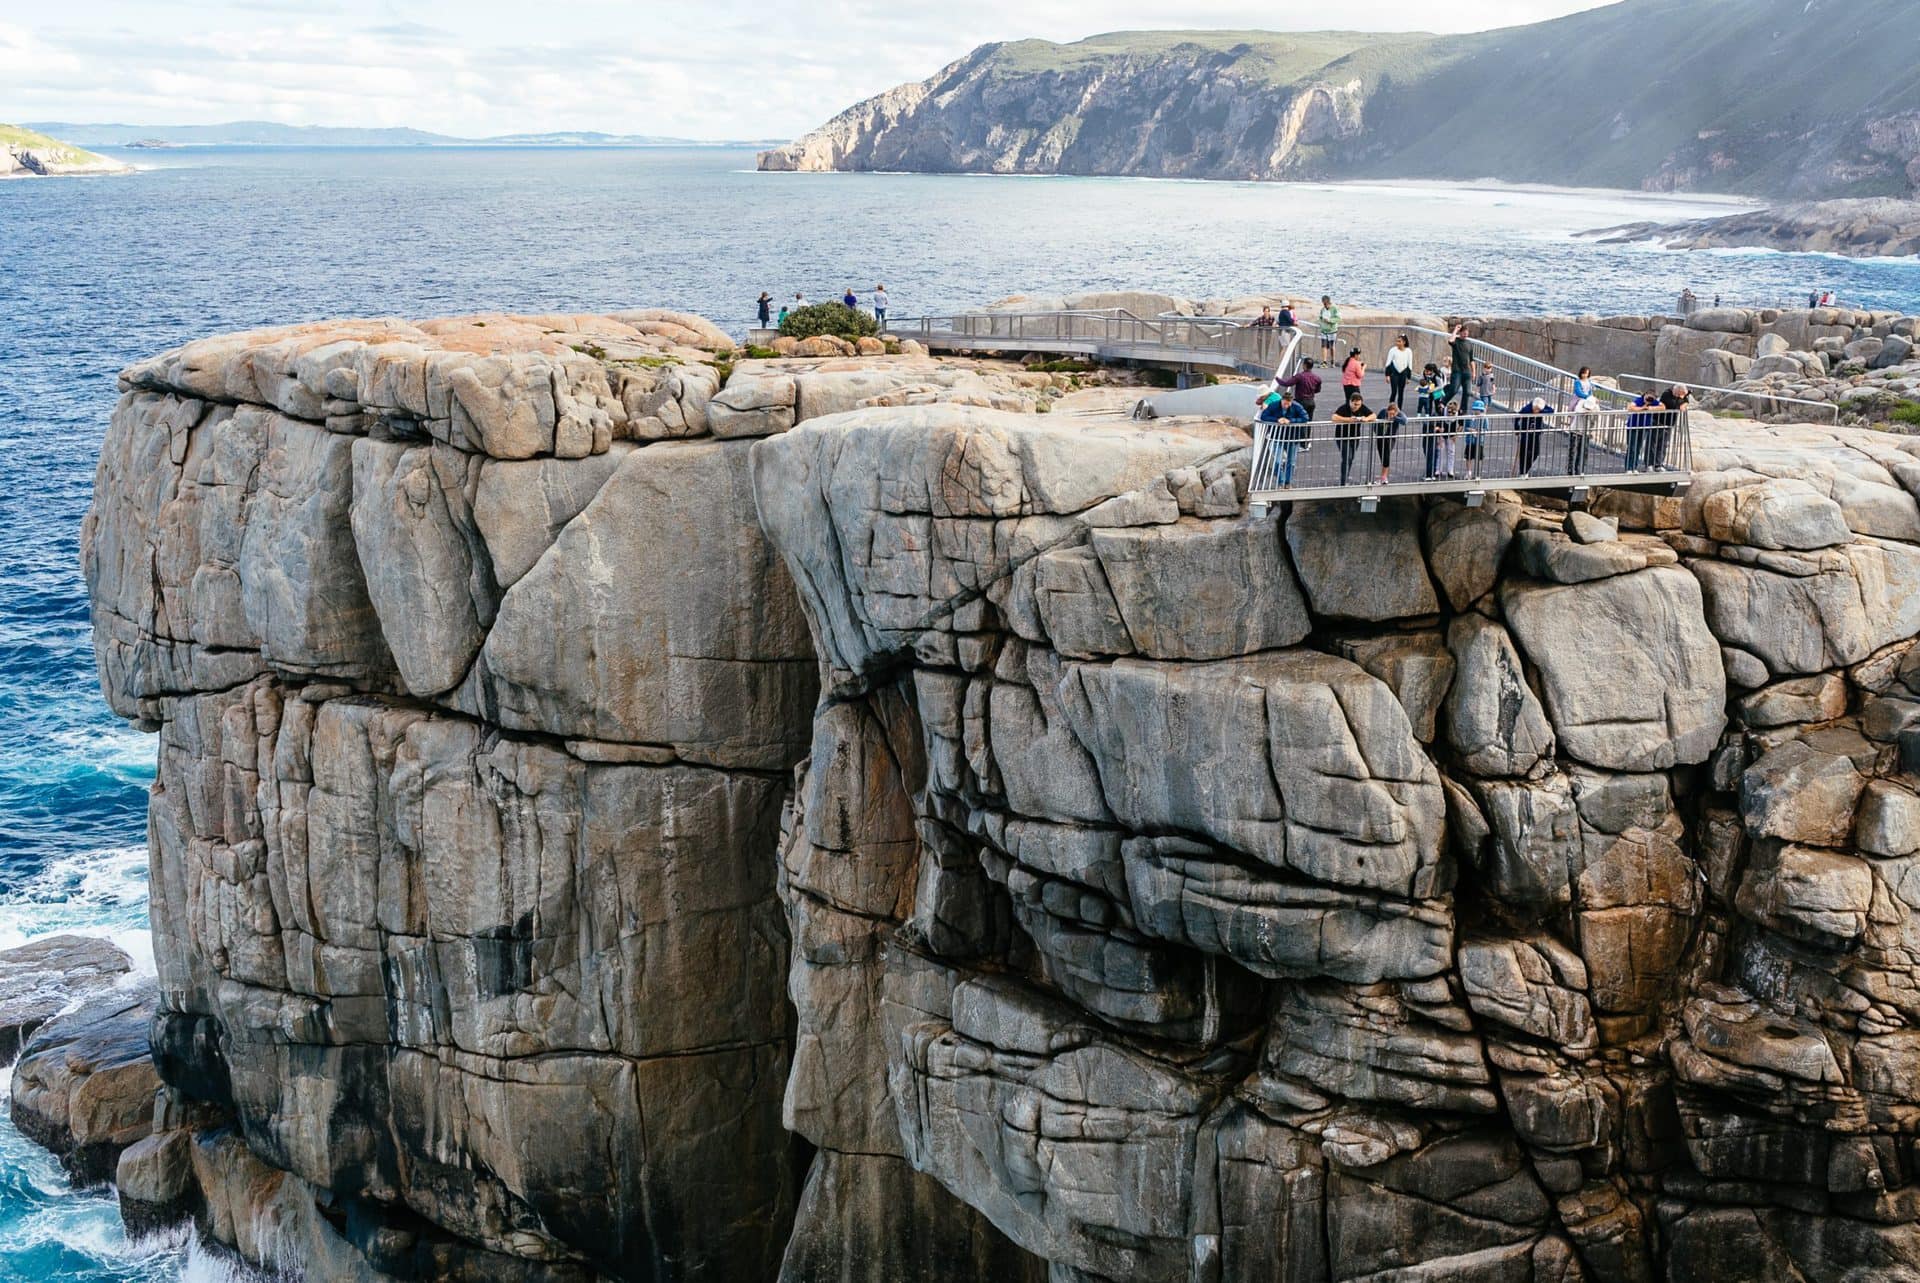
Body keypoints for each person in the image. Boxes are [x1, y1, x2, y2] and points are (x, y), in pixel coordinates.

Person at [1258, 389, 1312, 487]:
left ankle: (1287, 482)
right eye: (1284, 404)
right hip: (1277, 437)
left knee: (1291, 462)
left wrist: (1291, 421)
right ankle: (1280, 481)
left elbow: (1305, 418)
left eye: (1288, 404)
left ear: (1291, 402)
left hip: (1292, 438)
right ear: (1281, 400)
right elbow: (1264, 416)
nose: (1286, 406)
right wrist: (1276, 420)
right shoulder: (1274, 405)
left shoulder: (1296, 406)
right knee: (1278, 461)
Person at [1331, 388, 1372, 486]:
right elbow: (1334, 417)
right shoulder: (1344, 408)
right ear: (1350, 402)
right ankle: (1343, 481)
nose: (1357, 407)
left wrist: (1366, 419)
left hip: (1355, 437)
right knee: (1346, 457)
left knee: (1351, 458)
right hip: (1342, 437)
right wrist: (1348, 419)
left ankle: (1346, 477)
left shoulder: (1362, 407)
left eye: (1358, 404)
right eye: (1355, 404)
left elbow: (1373, 415)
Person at [1652, 384, 1691, 470]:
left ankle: (1659, 464)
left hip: (1669, 424)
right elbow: (1674, 406)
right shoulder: (1667, 394)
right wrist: (1682, 399)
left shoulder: (1679, 396)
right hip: (1658, 422)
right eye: (1680, 394)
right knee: (1653, 444)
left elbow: (1685, 404)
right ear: (1676, 391)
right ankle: (1650, 464)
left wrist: (1683, 402)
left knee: (1663, 445)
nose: (1680, 396)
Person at [1515, 395, 1551, 475]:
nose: (1537, 411)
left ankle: (1526, 469)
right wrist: (1517, 429)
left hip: (1536, 433)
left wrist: (1543, 408)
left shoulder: (1541, 409)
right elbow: (1517, 417)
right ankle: (1522, 472)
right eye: (1536, 410)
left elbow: (1551, 410)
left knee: (1535, 453)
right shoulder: (1526, 409)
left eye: (1539, 410)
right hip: (1525, 433)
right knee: (1524, 452)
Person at [1372, 401, 1406, 485]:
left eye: (1393, 414)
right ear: (1387, 411)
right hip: (1380, 437)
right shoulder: (1383, 411)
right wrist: (1377, 432)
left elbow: (1405, 421)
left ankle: (1384, 477)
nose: (1390, 415)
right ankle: (1383, 476)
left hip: (1390, 438)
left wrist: (1395, 417)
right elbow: (1375, 422)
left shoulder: (1399, 414)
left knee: (1386, 455)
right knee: (1382, 456)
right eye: (1389, 413)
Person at [1462, 399, 1491, 481]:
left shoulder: (1484, 418)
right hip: (1469, 440)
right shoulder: (1469, 417)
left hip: (1479, 441)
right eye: (1475, 409)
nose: (1476, 411)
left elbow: (1486, 429)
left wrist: (1478, 431)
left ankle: (1477, 473)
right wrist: (1469, 430)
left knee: (1479, 457)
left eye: (1478, 410)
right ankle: (1469, 473)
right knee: (1468, 457)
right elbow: (1465, 428)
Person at [1447, 324, 1474, 410]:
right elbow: (1450, 340)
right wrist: (1455, 330)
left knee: (1468, 392)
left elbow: (1471, 359)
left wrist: (1474, 372)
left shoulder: (1469, 343)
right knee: (1454, 389)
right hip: (1457, 370)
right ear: (1460, 333)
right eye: (1464, 333)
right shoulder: (1456, 341)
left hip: (1467, 371)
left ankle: (1463, 410)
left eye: (1467, 333)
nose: (1465, 334)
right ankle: (1442, 402)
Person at [1385, 335, 1414, 410]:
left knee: (1401, 392)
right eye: (1397, 341)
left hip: (1403, 373)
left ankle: (1399, 409)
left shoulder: (1408, 351)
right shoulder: (1393, 350)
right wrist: (1387, 375)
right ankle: (1391, 409)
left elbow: (1409, 364)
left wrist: (1409, 377)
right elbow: (1388, 362)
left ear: (1404, 342)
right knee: (1394, 391)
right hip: (1394, 373)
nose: (1397, 343)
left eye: (1399, 341)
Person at [1318, 296, 1340, 360]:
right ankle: (1324, 361)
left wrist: (1330, 321)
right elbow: (1320, 317)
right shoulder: (1322, 309)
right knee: (1323, 346)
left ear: (1328, 302)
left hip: (1332, 330)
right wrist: (1322, 321)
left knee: (1332, 346)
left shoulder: (1335, 309)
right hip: (1324, 331)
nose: (1324, 305)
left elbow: (1338, 318)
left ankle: (1332, 360)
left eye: (1325, 303)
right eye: (1323, 303)